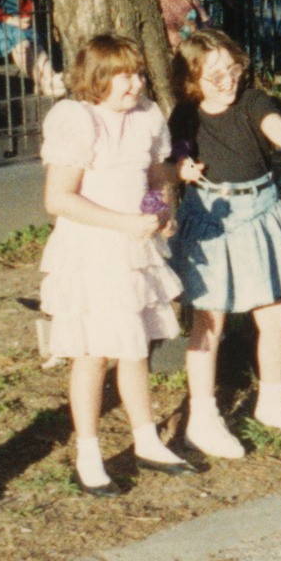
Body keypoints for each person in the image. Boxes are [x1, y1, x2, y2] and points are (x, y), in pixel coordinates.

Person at [39, 34, 199, 496]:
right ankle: (88, 453)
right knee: (94, 354)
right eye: (123, 76)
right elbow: (59, 198)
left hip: (134, 250)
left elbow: (153, 176)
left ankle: (146, 440)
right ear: (96, 80)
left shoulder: (147, 116)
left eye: (139, 73)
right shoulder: (77, 121)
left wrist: (160, 210)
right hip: (92, 252)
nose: (135, 84)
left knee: (134, 347)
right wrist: (123, 222)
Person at [167, 29, 281, 457]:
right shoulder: (185, 115)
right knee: (208, 322)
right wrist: (180, 166)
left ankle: (272, 401)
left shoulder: (254, 102)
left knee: (275, 313)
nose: (227, 80)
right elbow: (177, 152)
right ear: (192, 78)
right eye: (214, 74)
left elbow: (276, 126)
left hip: (260, 211)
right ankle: (202, 417)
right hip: (211, 217)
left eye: (232, 69)